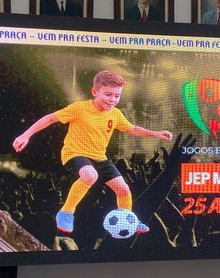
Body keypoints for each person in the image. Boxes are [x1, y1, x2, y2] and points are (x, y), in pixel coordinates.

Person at [12, 70, 172, 234]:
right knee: (90, 175)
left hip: (99, 158)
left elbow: (132, 129)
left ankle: (128, 219)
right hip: (74, 153)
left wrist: (156, 134)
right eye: (108, 94)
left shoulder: (115, 114)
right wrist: (25, 135)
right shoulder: (79, 108)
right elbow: (50, 118)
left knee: (123, 189)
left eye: (117, 96)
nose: (112, 99)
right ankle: (66, 212)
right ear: (95, 92)